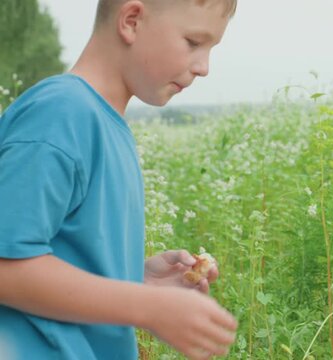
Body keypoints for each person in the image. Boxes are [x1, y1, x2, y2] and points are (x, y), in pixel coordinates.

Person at [0, 0, 238, 359]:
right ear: (131, 20)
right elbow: (7, 267)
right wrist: (145, 305)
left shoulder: (106, 124)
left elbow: (62, 266)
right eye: (193, 42)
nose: (204, 67)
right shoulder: (61, 114)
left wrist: (138, 281)